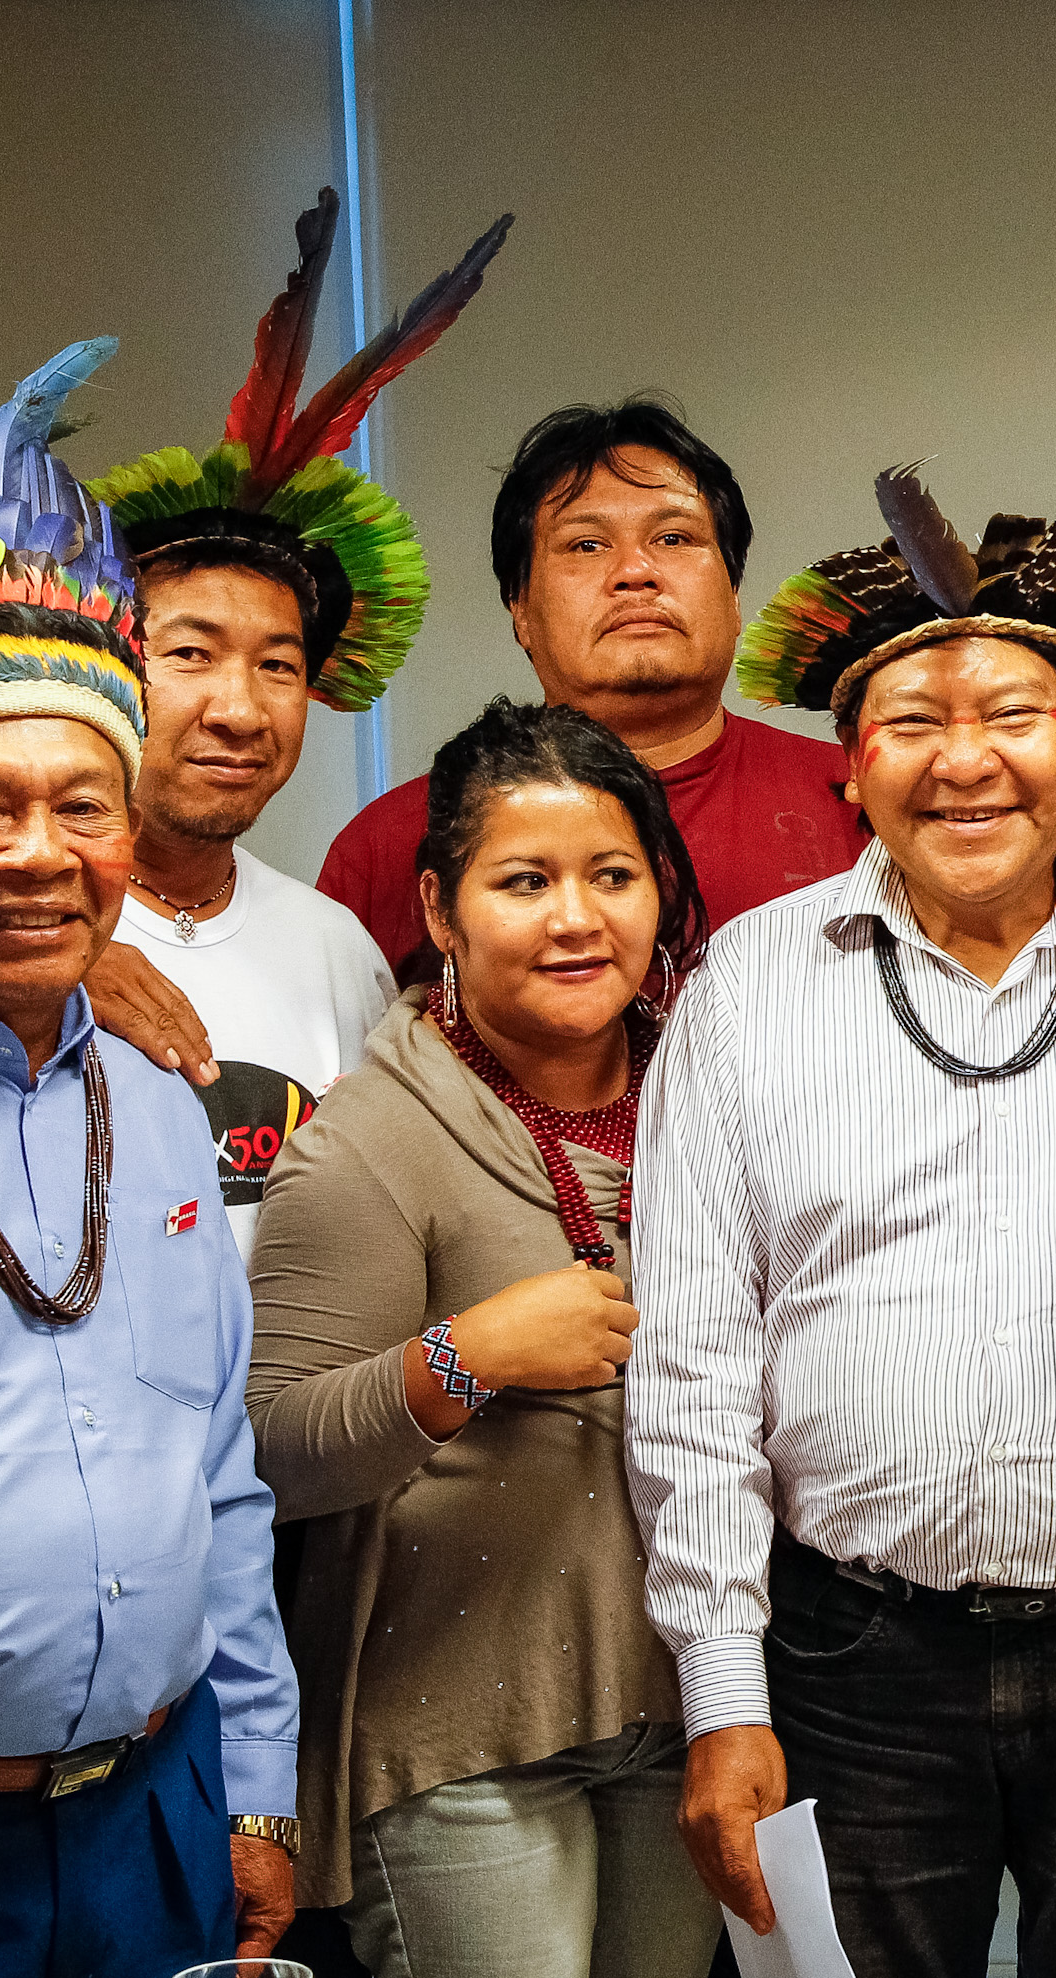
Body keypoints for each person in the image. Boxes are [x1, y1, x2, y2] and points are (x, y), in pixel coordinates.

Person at [639, 475, 1056, 1975]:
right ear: (851, 763)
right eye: (912, 722)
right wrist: (725, 1696)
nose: (963, 761)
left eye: (1013, 716)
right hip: (850, 1657)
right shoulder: (746, 989)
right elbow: (691, 1368)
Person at [0, 345, 301, 1971]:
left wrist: (256, 1792)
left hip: (154, 1822)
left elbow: (216, 1472)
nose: (40, 852)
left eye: (83, 803)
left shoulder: (158, 1088)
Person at [245, 697, 716, 1976]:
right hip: (457, 1736)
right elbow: (270, 1450)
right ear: (443, 911)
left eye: (612, 874)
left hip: (684, 1705)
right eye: (525, 880)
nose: (577, 917)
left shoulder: (712, 1090)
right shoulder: (370, 1144)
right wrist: (465, 1358)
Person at [79, 187, 500, 1230]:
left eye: (276, 666)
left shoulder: (335, 949)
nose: (240, 707)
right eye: (188, 654)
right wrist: (36, 957)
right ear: (99, 664)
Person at [317, 397, 861, 975]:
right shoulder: (391, 843)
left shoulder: (864, 802)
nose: (635, 572)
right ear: (520, 609)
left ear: (734, 597)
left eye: (674, 538)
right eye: (587, 545)